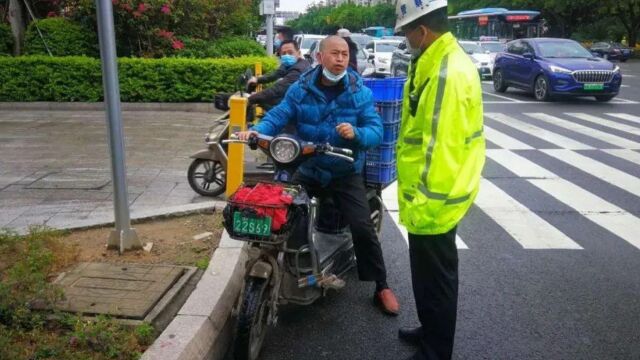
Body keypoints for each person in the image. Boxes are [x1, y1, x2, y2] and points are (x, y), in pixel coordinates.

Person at [237, 35, 400, 316]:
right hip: (308, 167)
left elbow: (376, 130)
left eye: (345, 55)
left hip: (343, 169)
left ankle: (381, 285)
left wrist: (357, 133)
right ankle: (298, 263)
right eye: (334, 54)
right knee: (283, 209)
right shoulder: (301, 88)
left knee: (361, 227)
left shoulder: (358, 91)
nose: (340, 59)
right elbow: (280, 113)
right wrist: (258, 130)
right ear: (320, 57)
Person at [393, 1, 485, 359]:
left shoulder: (446, 72)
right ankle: (429, 329)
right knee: (428, 278)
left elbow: (440, 147)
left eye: (405, 33)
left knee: (438, 281)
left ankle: (436, 350)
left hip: (434, 199)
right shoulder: (432, 61)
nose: (404, 40)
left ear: (423, 31)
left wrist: (424, 202)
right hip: (428, 195)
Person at [248, 40, 310, 110]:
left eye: (290, 52)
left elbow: (278, 89)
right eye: (284, 53)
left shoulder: (299, 69)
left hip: (302, 106)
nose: (287, 55)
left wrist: (251, 99)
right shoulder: (288, 64)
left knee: (266, 101)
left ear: (298, 53)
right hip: (293, 98)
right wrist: (257, 79)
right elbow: (276, 74)